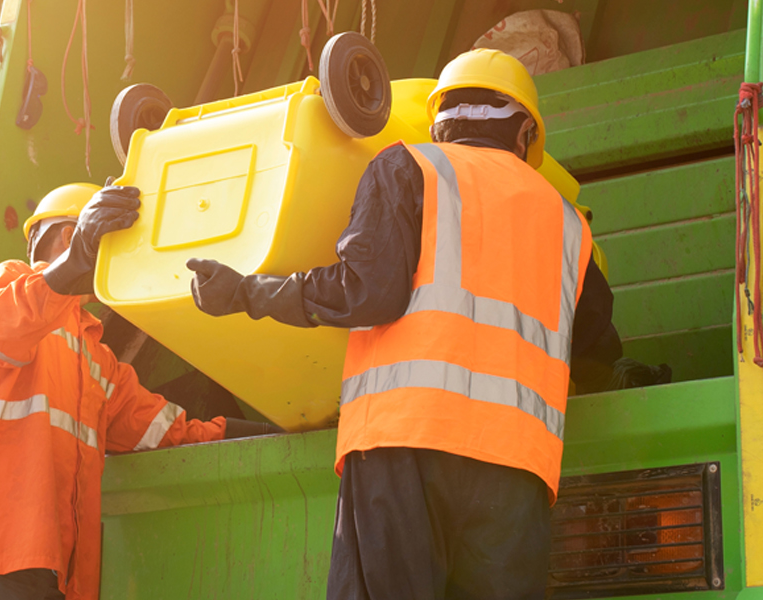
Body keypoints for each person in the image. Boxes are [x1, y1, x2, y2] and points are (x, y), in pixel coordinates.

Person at [186, 49, 625, 599]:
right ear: (524, 135)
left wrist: (244, 291)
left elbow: (365, 292)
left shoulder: (408, 168)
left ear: (441, 122)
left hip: (403, 448)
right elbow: (595, 347)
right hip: (515, 471)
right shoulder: (569, 226)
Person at [0, 183, 284, 600]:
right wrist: (76, 259)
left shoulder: (95, 358)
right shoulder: (7, 284)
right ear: (71, 237)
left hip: (56, 573)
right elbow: (6, 326)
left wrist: (276, 430)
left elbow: (170, 431)